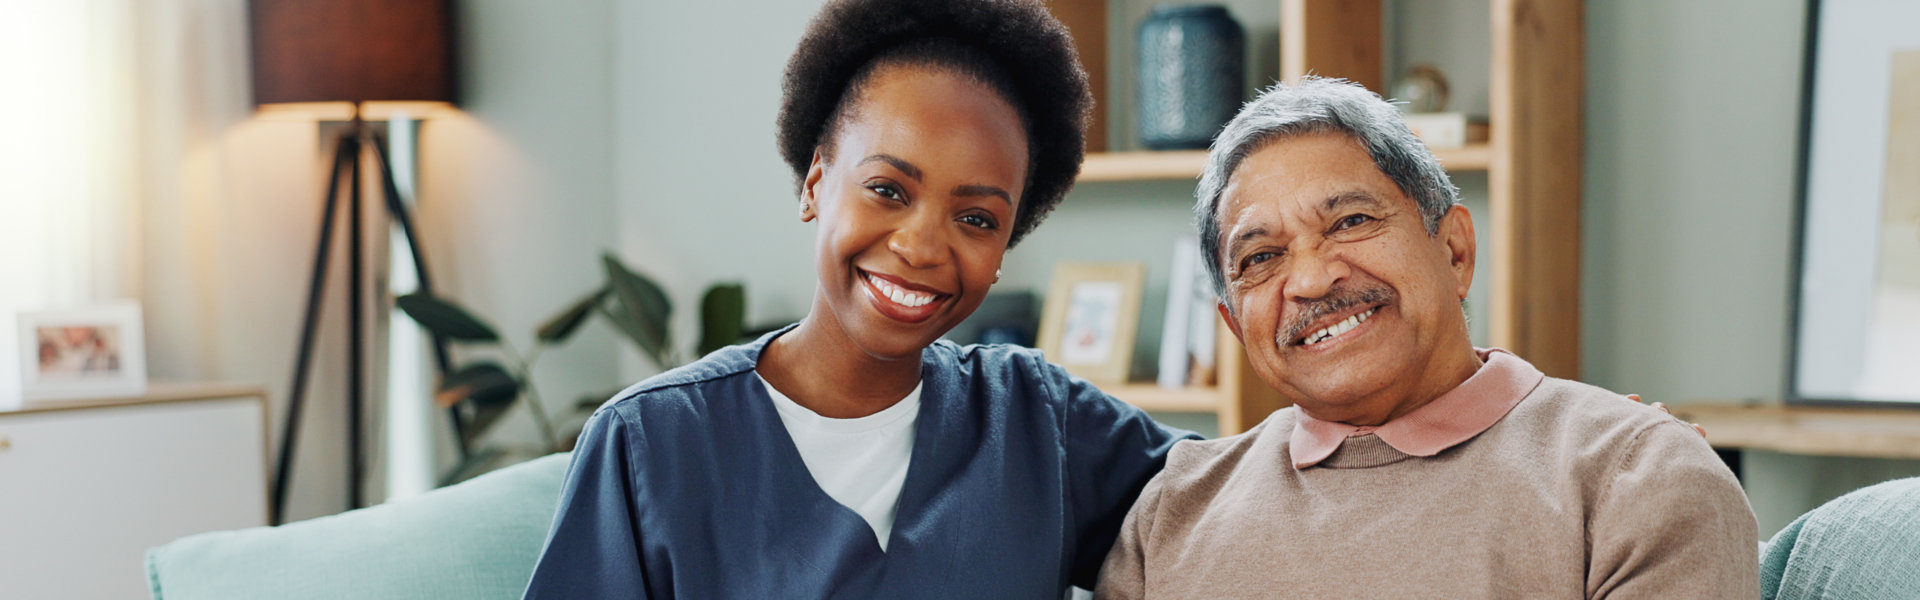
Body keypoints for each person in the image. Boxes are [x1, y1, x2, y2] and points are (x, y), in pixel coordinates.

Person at [521, 1, 1195, 597]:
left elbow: (1239, 499)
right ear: (815, 183)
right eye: (888, 190)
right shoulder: (649, 444)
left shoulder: (1037, 420)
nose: (924, 246)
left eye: (978, 219)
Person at [1095, 77, 1759, 598]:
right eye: (1260, 258)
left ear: (1455, 250)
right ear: (1236, 327)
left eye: (1351, 220)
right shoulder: (1171, 511)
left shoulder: (1636, 478)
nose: (1312, 279)